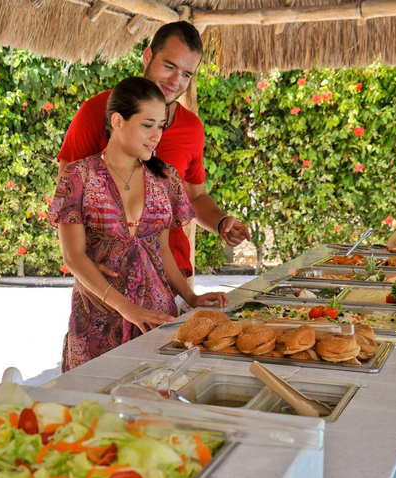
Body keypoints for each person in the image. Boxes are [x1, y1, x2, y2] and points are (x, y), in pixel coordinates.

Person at [58, 21, 251, 314]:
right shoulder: (94, 112)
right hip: (107, 284)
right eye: (169, 66)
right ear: (147, 56)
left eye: (187, 73)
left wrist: (222, 222)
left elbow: (194, 197)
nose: (176, 80)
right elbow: (67, 202)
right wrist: (81, 264)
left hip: (173, 282)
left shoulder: (191, 128)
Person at [50, 77, 228, 372]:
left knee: (155, 406)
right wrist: (126, 308)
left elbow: (162, 253)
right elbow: (73, 256)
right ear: (117, 121)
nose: (156, 135)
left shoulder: (165, 178)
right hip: (98, 318)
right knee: (92, 408)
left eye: (161, 126)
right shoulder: (79, 176)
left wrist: (191, 297)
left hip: (157, 319)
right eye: (148, 125)